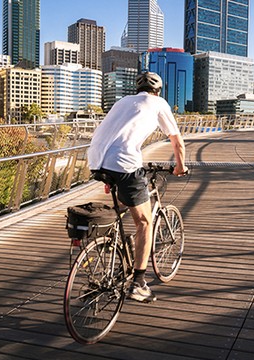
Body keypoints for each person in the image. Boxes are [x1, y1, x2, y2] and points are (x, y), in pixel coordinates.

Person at [87, 72, 188, 303]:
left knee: (126, 202)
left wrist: (109, 175)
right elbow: (176, 140)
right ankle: (139, 284)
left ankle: (115, 243)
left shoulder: (123, 102)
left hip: (96, 160)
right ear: (158, 90)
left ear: (137, 89)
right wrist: (180, 167)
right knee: (145, 222)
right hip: (123, 164)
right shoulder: (158, 103)